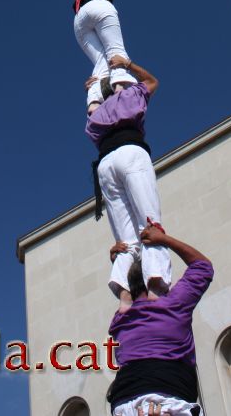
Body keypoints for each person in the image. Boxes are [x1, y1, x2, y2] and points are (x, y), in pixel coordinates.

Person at [86, 57, 170, 298]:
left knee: (126, 241)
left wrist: (93, 89)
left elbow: (91, 104)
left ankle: (124, 299)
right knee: (150, 225)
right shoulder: (130, 97)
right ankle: (156, 288)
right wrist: (127, 64)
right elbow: (153, 81)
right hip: (131, 154)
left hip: (105, 166)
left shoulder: (95, 114)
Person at [106, 226, 214, 416]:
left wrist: (120, 262)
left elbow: (126, 290)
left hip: (127, 403)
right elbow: (203, 266)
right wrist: (165, 240)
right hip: (165, 400)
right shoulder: (173, 306)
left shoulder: (122, 319)